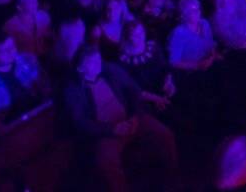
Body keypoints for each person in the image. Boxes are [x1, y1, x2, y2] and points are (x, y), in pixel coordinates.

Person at [62, 46, 179, 192]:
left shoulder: (111, 70)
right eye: (92, 62)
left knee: (165, 135)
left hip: (131, 118)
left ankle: (172, 177)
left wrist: (135, 115)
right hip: (107, 131)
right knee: (106, 162)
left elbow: (133, 91)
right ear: (80, 68)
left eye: (98, 59)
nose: (98, 63)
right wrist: (112, 129)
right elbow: (81, 122)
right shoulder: (73, 90)